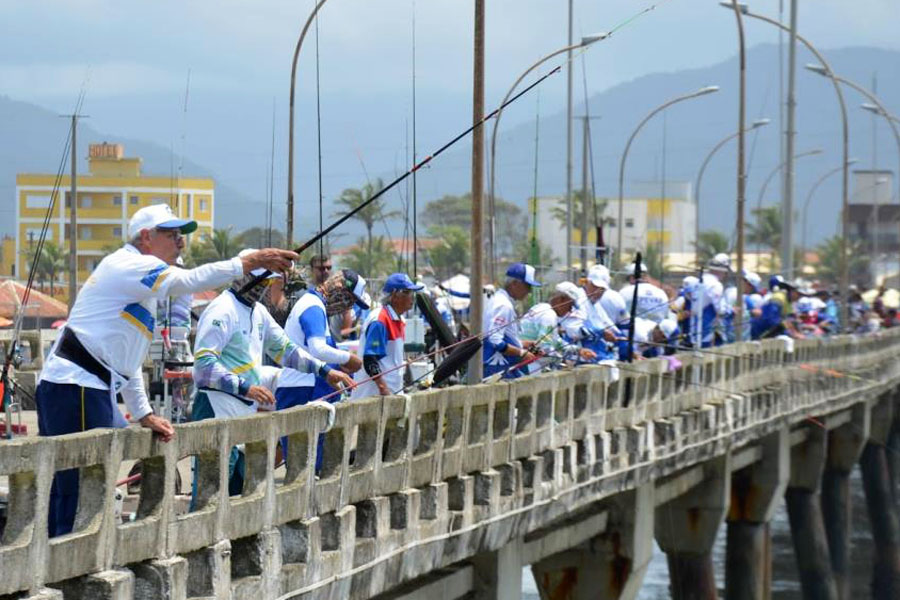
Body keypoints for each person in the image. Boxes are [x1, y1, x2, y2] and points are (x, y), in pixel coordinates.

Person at [35, 204, 297, 536]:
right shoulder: (130, 264)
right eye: (172, 235)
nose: (180, 243)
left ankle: (59, 561)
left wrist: (144, 414)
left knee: (73, 485)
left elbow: (126, 362)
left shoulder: (143, 288)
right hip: (78, 386)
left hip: (83, 384)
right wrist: (250, 262)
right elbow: (189, 280)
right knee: (81, 484)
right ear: (146, 237)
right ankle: (66, 568)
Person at [192, 250, 354, 493]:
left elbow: (287, 351)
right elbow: (203, 367)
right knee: (211, 490)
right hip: (216, 405)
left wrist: (325, 372)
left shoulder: (257, 312)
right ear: (241, 276)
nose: (263, 287)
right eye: (258, 280)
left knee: (239, 490)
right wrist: (246, 387)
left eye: (267, 281)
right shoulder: (222, 310)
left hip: (244, 410)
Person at [277, 269, 367, 408]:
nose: (348, 306)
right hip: (302, 388)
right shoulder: (313, 306)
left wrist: (338, 366)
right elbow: (318, 349)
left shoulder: (315, 305)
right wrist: (348, 358)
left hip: (307, 386)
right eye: (349, 299)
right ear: (338, 287)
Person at [351, 273, 423, 398]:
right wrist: (383, 388)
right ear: (395, 295)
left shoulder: (399, 319)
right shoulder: (380, 320)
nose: (412, 298)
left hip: (392, 394)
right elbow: (370, 360)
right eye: (408, 293)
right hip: (374, 396)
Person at [482, 263, 542, 379]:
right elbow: (495, 340)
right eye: (527, 286)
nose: (529, 291)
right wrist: (522, 353)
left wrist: (522, 344)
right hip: (496, 367)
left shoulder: (500, 300)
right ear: (515, 284)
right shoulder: (504, 306)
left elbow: (501, 335)